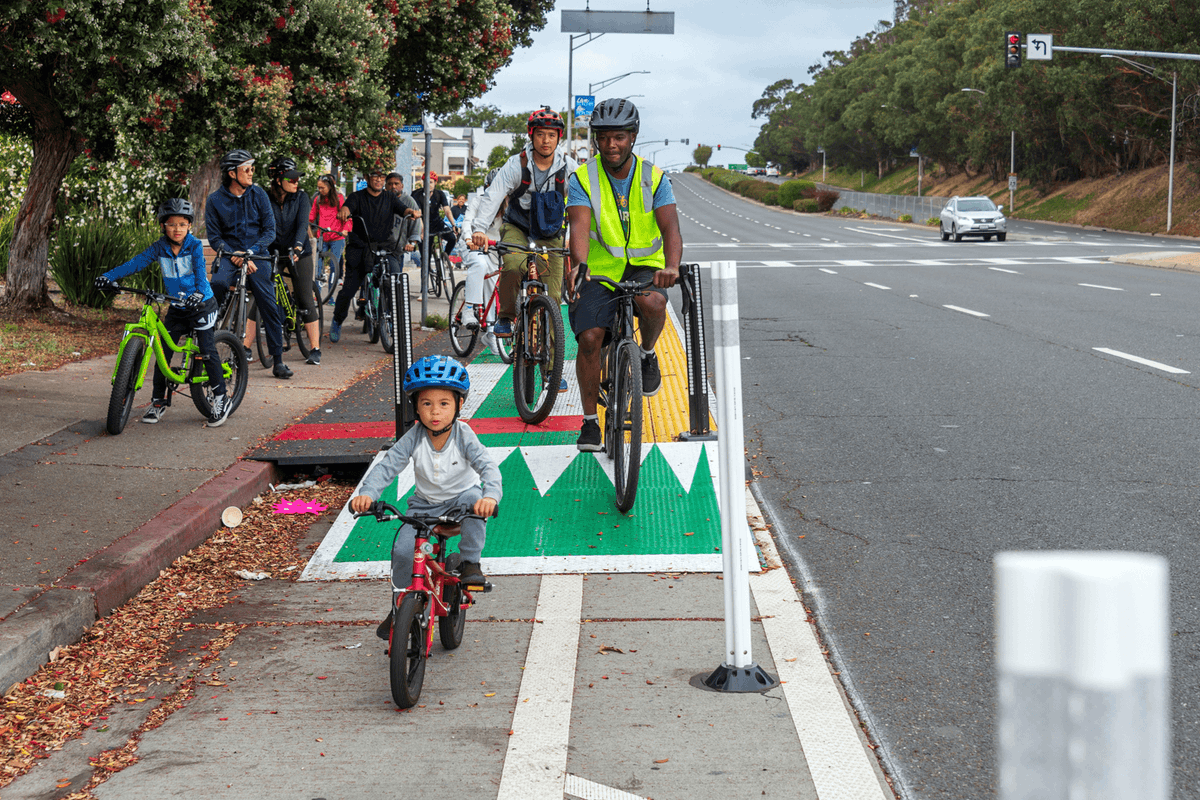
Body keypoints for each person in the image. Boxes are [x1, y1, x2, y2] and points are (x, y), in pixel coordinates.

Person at [349, 355, 501, 639]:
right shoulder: (414, 436)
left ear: (459, 405)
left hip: (461, 501)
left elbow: (488, 467)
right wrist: (368, 494)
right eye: (426, 403)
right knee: (403, 551)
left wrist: (490, 496)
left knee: (474, 500)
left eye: (444, 404)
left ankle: (470, 562)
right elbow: (387, 466)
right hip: (423, 507)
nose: (435, 412)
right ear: (415, 407)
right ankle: (400, 606)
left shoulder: (463, 434)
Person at [565, 98, 682, 452]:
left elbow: (671, 229)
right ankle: (588, 422)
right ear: (595, 140)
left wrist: (672, 267)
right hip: (598, 271)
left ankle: (646, 354)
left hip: (646, 266)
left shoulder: (654, 178)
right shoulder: (582, 179)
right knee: (590, 339)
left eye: (619, 137)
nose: (611, 145)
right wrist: (580, 265)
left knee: (655, 303)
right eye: (603, 138)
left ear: (632, 137)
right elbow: (579, 229)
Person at [93, 199, 232, 427]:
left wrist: (198, 292)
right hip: (177, 308)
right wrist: (109, 276)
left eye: (182, 224)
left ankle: (221, 398)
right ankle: (158, 402)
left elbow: (199, 272)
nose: (177, 229)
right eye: (171, 224)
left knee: (207, 350)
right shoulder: (160, 247)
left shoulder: (195, 246)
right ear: (163, 226)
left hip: (201, 304)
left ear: (189, 225)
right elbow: (135, 263)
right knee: (163, 353)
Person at [469, 108, 576, 339]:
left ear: (559, 137)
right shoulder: (516, 165)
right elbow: (493, 196)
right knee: (513, 265)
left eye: (551, 134)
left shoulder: (569, 167)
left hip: (550, 231)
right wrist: (478, 229)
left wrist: (583, 235)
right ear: (531, 135)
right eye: (540, 134)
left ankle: (551, 374)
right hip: (517, 227)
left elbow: (583, 202)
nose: (546, 140)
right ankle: (506, 317)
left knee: (554, 296)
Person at [206, 149, 291, 379]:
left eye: (252, 168)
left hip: (257, 255)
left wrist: (251, 253)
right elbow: (214, 237)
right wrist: (234, 253)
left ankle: (278, 361)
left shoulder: (259, 195)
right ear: (232, 174)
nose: (252, 173)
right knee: (219, 285)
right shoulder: (214, 200)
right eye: (247, 169)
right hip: (229, 256)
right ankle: (207, 340)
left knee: (268, 303)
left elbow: (269, 231)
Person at [328, 167, 421, 343]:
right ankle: (337, 321)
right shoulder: (357, 197)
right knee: (348, 290)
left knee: (394, 283)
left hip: (385, 248)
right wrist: (345, 212)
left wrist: (412, 213)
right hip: (360, 248)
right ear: (366, 177)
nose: (378, 180)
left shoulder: (389, 197)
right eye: (374, 176)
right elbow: (348, 207)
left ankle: (393, 321)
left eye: (381, 176)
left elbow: (403, 209)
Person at [264, 157, 322, 365]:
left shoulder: (302, 197)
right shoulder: (265, 198)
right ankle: (246, 346)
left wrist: (298, 245)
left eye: (298, 178)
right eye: (291, 178)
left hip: (299, 251)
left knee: (305, 296)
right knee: (264, 294)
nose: (296, 182)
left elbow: (302, 224)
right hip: (274, 251)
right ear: (278, 180)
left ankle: (315, 348)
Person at [309, 174, 351, 307]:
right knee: (318, 267)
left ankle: (330, 297)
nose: (319, 190)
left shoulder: (340, 199)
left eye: (322, 188)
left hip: (337, 237)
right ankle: (317, 295)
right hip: (322, 237)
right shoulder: (317, 199)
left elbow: (348, 218)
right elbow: (311, 217)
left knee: (334, 267)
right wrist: (309, 230)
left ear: (330, 187)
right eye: (318, 187)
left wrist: (345, 230)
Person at [412, 171, 456, 257]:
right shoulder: (416, 194)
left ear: (436, 183)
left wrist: (453, 225)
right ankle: (427, 269)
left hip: (437, 223)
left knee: (452, 238)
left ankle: (445, 257)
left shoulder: (440, 194)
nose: (429, 184)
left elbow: (447, 210)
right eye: (426, 182)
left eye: (431, 182)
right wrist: (422, 231)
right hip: (422, 224)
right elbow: (418, 214)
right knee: (425, 256)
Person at [385, 172, 421, 273]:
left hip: (397, 248)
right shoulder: (381, 199)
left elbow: (415, 224)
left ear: (402, 186)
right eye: (390, 184)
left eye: (396, 184)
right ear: (386, 185)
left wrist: (412, 243)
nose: (393, 186)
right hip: (380, 245)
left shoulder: (409, 201)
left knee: (396, 278)